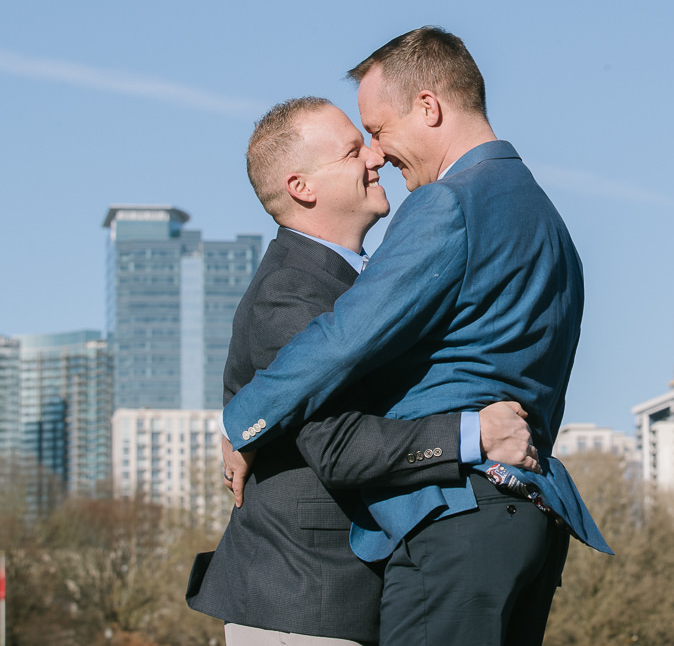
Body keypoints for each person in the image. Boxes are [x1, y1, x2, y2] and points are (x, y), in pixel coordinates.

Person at [223, 28, 609, 646]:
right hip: (527, 519)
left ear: (428, 107)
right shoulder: (546, 220)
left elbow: (345, 336)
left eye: (375, 131)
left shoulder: (449, 204)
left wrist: (243, 418)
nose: (378, 152)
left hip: (453, 518)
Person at [188, 96, 539, 646]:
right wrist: (475, 435)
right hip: (302, 605)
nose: (376, 156)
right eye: (353, 151)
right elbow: (337, 447)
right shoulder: (286, 294)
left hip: (344, 598)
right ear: (302, 187)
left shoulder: (368, 284)